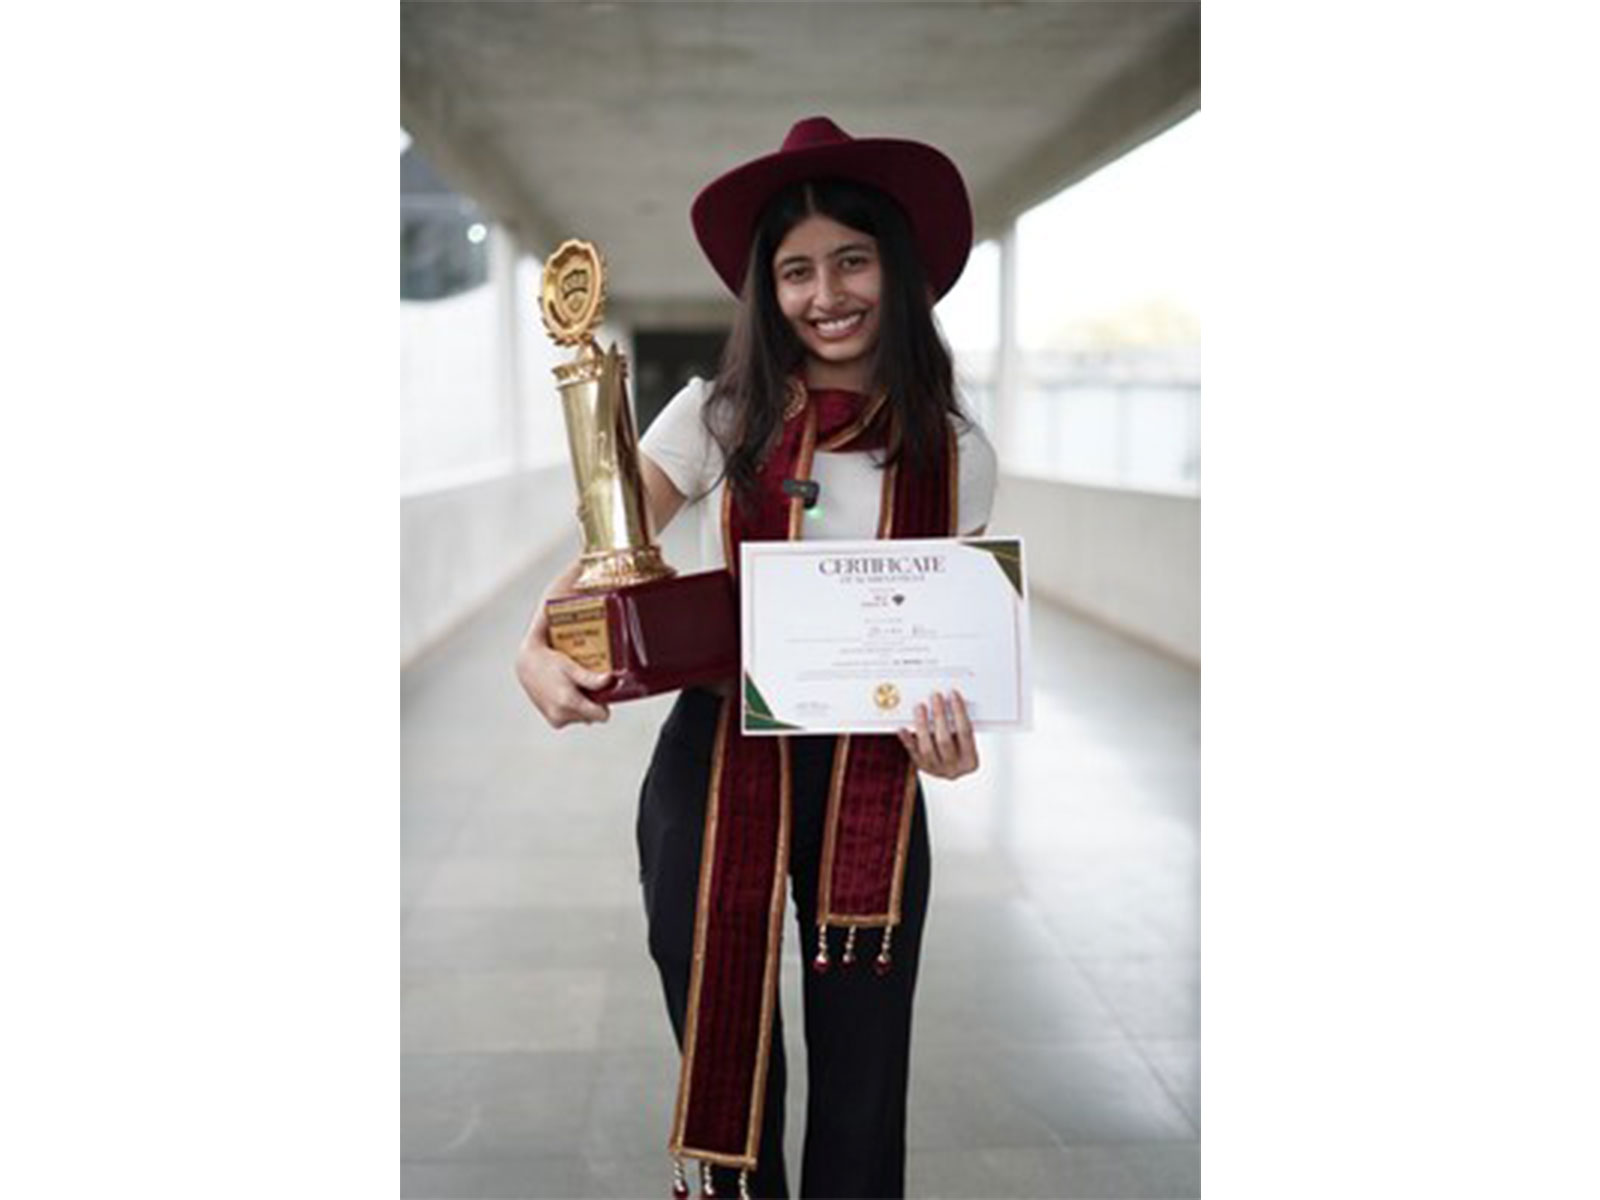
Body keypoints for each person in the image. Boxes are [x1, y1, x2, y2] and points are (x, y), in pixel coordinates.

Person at [515, 116, 996, 1199]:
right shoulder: (718, 414)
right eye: (794, 269)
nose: (825, 292)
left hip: (868, 771)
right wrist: (533, 646)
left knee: (865, 1059)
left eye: (851, 259)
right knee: (718, 1004)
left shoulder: (958, 452)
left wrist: (949, 748)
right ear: (765, 290)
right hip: (718, 754)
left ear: (897, 271)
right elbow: (602, 548)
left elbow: (940, 634)